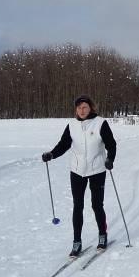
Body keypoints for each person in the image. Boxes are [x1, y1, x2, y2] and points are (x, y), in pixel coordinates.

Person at [42, 95, 117, 258]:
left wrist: (110, 159)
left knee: (97, 205)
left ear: (91, 108)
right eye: (79, 108)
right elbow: (64, 144)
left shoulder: (100, 123)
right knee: (78, 206)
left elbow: (111, 144)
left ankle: (102, 235)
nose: (82, 110)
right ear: (76, 109)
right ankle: (77, 242)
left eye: (85, 107)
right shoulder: (71, 125)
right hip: (77, 171)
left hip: (97, 169)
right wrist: (51, 154)